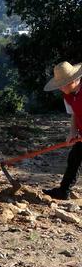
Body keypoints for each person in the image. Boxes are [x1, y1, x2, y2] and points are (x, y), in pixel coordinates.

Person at [42, 61, 82, 200]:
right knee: (74, 159)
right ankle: (63, 191)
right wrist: (73, 131)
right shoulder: (68, 94)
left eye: (62, 84)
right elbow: (75, 113)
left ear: (73, 81)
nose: (59, 88)